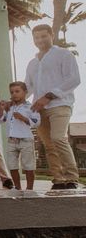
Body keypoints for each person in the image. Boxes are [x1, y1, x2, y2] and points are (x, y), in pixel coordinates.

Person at [25, 24, 81, 190]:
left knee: (58, 138)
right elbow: (28, 87)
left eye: (43, 36)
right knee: (49, 145)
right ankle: (58, 179)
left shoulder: (64, 54)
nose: (40, 40)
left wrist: (49, 96)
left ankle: (71, 177)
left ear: (51, 35)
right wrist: (13, 101)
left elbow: (74, 79)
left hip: (60, 105)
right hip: (39, 109)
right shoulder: (32, 63)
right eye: (36, 37)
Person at [0, 82, 40, 190]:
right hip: (11, 140)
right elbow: (1, 120)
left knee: (28, 166)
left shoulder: (31, 107)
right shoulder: (10, 108)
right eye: (12, 92)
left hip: (26, 139)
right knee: (12, 165)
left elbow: (36, 122)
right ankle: (17, 188)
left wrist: (23, 118)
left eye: (17, 91)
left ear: (25, 92)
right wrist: (2, 109)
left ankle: (29, 188)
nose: (14, 94)